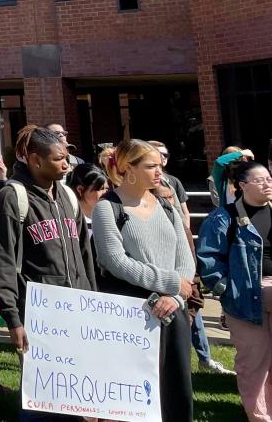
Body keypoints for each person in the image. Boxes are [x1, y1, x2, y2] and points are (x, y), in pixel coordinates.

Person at [0, 128, 95, 421]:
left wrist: (93, 303)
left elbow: (86, 257)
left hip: (77, 312)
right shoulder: (12, 197)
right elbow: (3, 261)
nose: (67, 165)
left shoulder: (69, 197)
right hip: (39, 316)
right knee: (43, 399)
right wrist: (13, 318)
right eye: (60, 159)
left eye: (68, 158)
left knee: (77, 394)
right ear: (35, 160)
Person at [92, 139, 195, 422]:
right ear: (129, 169)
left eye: (160, 165)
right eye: (151, 166)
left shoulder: (166, 204)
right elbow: (115, 261)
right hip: (132, 312)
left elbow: (184, 256)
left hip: (173, 311)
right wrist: (172, 283)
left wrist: (174, 297)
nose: (159, 171)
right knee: (134, 391)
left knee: (175, 389)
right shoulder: (107, 208)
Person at [150, 139, 234, 375]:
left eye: (165, 155)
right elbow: (219, 163)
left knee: (192, 306)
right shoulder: (223, 182)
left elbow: (183, 212)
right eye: (156, 157)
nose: (162, 161)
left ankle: (204, 358)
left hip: (183, 253)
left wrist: (182, 241)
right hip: (160, 272)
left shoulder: (172, 182)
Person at [198, 157, 272, 417]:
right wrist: (227, 291)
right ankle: (260, 416)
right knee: (253, 362)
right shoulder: (223, 218)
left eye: (269, 179)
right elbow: (208, 261)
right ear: (242, 185)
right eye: (259, 180)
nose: (267, 184)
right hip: (244, 298)